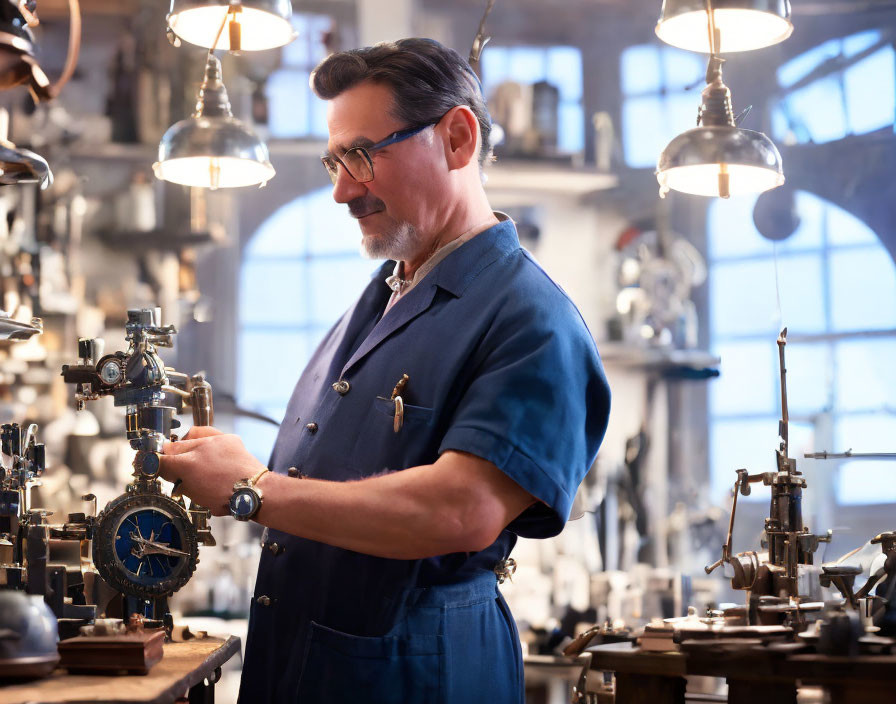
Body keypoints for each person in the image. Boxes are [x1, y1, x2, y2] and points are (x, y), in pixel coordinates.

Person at [159, 38, 611, 704]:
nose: (343, 189)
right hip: (308, 666)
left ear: (457, 137)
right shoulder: (380, 299)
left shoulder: (532, 322)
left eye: (364, 155)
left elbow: (462, 510)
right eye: (335, 161)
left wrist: (250, 488)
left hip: (421, 677)